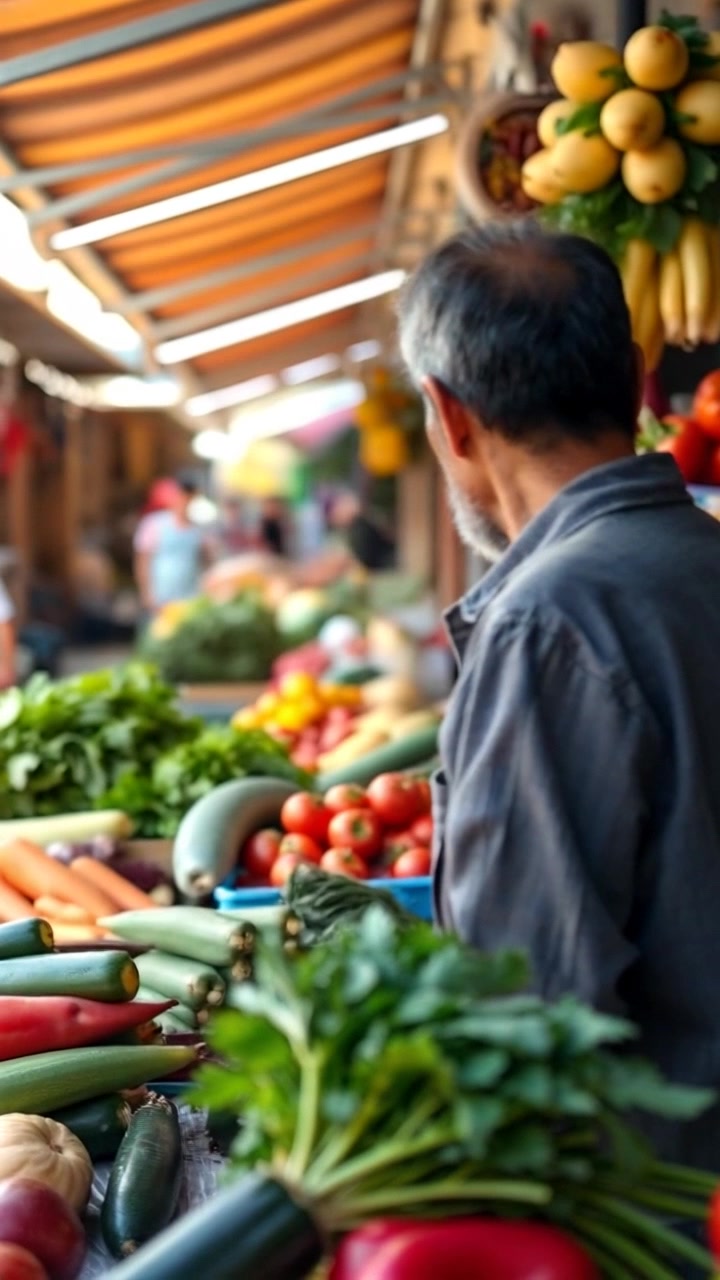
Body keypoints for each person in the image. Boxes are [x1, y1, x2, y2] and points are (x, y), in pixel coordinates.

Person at [399, 220, 720, 1170]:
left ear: (449, 417)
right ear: (631, 377)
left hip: (656, 1217)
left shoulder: (547, 627)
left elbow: (529, 1013)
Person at [134, 474, 214, 614]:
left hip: (190, 596)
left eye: (190, 499)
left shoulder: (198, 530)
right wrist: (146, 593)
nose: (186, 503)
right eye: (184, 497)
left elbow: (207, 562)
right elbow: (143, 560)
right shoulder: (154, 523)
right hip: (161, 595)